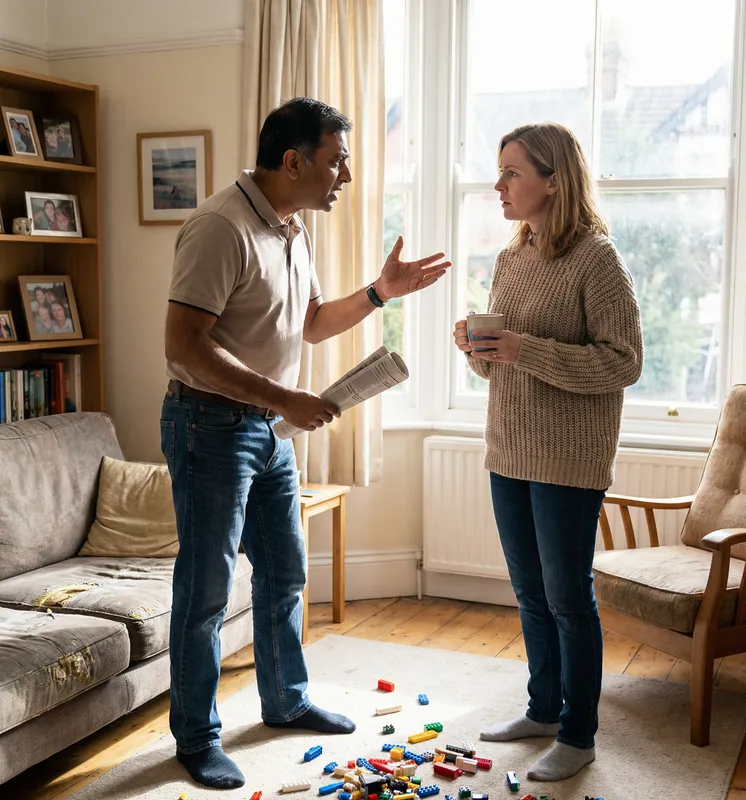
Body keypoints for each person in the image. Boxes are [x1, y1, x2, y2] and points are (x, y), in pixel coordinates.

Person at [161, 97, 450, 790]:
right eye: (336, 159)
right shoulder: (218, 227)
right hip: (209, 428)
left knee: (287, 574)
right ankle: (196, 738)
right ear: (294, 161)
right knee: (205, 592)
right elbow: (183, 346)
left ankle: (285, 701)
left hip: (268, 430)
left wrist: (380, 293)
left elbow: (312, 323)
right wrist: (281, 396)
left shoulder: (291, 225)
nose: (345, 173)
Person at [453, 122, 643, 782]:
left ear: (552, 181)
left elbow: (624, 363)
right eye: (498, 171)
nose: (497, 185)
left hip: (569, 460)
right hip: (507, 450)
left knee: (568, 599)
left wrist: (522, 349)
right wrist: (480, 351)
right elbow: (504, 369)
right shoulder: (512, 258)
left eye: (511, 172)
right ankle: (542, 709)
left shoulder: (597, 259)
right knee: (530, 595)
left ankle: (580, 734)